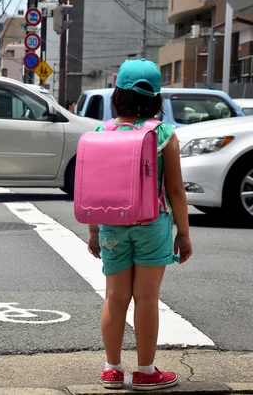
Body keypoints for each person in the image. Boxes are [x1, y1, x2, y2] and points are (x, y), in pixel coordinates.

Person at [87, 58, 193, 391]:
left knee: (115, 298)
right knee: (146, 298)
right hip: (153, 224)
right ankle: (146, 371)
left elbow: (94, 187)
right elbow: (175, 190)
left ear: (117, 93)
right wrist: (184, 234)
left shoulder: (102, 131)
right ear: (156, 97)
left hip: (111, 225)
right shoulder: (164, 134)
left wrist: (93, 232)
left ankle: (112, 370)